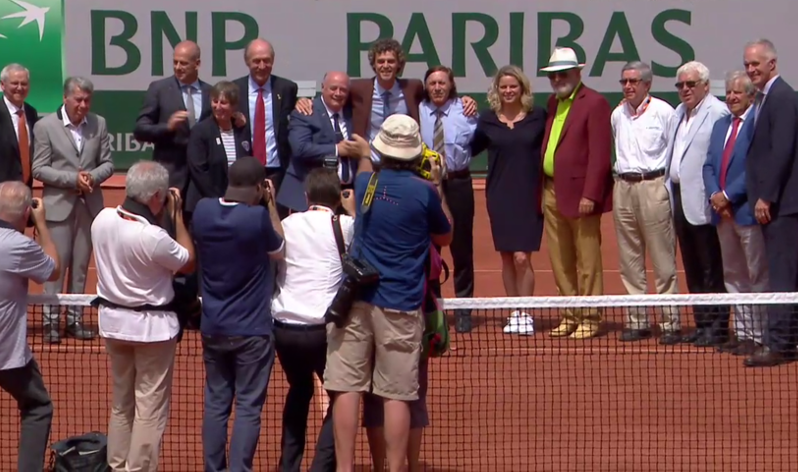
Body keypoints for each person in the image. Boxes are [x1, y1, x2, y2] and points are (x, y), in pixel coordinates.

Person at [323, 114, 452, 472]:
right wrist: (437, 185)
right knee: (397, 394)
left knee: (347, 388)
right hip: (400, 304)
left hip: (356, 302)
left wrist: (365, 152)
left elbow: (365, 168)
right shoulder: (424, 192)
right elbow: (445, 236)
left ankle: (345, 468)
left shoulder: (366, 182)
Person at [91, 161, 195, 471]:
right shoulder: (153, 237)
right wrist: (176, 215)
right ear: (155, 196)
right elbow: (188, 261)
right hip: (151, 332)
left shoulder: (102, 219)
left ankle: (117, 465)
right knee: (149, 408)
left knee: (122, 404)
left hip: (113, 326)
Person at [192, 156, 285, 471]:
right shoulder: (257, 217)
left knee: (216, 404)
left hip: (214, 327)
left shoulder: (203, 211)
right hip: (252, 332)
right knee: (247, 407)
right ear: (260, 188)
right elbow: (279, 248)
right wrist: (271, 204)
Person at [271, 167, 357, 472]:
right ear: (337, 198)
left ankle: (288, 466)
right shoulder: (346, 225)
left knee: (300, 390)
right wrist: (350, 209)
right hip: (323, 331)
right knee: (342, 398)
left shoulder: (287, 223)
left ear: (306, 197)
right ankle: (322, 466)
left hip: (284, 329)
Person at [32, 76, 114, 343]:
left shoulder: (99, 123)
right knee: (56, 267)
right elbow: (39, 168)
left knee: (80, 268)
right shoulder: (45, 126)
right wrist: (71, 179)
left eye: (87, 100)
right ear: (65, 99)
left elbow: (108, 163)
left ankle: (75, 320)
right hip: (58, 207)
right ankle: (51, 322)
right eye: (78, 99)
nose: (83, 105)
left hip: (88, 207)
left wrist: (91, 177)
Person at [539, 48, 613, 339]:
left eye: (564, 73)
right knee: (560, 260)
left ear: (577, 73)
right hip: (551, 191)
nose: (558, 79)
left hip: (581, 195)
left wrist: (591, 195)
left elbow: (599, 155)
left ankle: (590, 317)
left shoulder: (595, 103)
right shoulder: (553, 103)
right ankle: (569, 314)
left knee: (587, 260)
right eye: (554, 75)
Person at [470, 64, 547, 336]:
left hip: (528, 194)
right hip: (499, 194)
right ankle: (514, 311)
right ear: (497, 90)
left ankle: (525, 312)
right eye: (503, 86)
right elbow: (468, 146)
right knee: (506, 257)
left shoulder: (539, 116)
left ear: (522, 88)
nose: (508, 91)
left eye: (513, 86)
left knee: (522, 257)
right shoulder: (488, 120)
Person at [611, 61, 681, 344]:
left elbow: (674, 150)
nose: (628, 86)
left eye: (634, 81)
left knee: (663, 260)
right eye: (624, 81)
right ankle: (637, 320)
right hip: (623, 188)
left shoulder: (665, 112)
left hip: (653, 186)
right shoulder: (617, 115)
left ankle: (670, 323)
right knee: (629, 260)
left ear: (647, 85)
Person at [665, 61, 731, 347]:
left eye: (690, 84)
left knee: (711, 266)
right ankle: (702, 323)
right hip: (679, 196)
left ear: (705, 85)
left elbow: (720, 156)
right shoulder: (679, 113)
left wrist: (718, 194)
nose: (684, 89)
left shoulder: (718, 112)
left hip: (706, 200)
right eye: (680, 85)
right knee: (691, 265)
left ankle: (718, 327)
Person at [741, 39, 798, 367]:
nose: (751, 70)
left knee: (781, 278)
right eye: (747, 65)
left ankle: (778, 344)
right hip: (780, 206)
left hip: (782, 208)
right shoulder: (768, 99)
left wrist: (767, 196)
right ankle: (787, 341)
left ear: (772, 64)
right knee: (787, 276)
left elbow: (782, 151)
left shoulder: (782, 98)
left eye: (756, 64)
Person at [702, 70, 766, 357]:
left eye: (737, 92)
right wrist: (716, 195)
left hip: (746, 213)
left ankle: (760, 335)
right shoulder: (720, 125)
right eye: (728, 92)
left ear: (751, 95)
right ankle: (742, 333)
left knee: (757, 275)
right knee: (733, 274)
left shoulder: (758, 124)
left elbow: (756, 166)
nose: (731, 97)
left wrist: (728, 196)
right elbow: (708, 165)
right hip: (722, 214)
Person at [0, 181, 59, 472]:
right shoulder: (18, 245)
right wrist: (43, 224)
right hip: (7, 356)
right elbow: (53, 268)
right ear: (26, 213)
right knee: (38, 407)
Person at [419, 65, 477, 333]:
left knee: (462, 247)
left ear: (451, 85)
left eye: (442, 82)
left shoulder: (467, 111)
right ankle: (433, 307)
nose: (438, 87)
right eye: (432, 83)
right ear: (426, 87)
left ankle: (464, 310)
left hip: (459, 183)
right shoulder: (418, 111)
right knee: (431, 249)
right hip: (427, 185)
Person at [134, 41, 212, 197]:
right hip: (171, 175)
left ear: (197, 64)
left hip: (202, 179)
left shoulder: (210, 92)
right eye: (175, 62)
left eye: (183, 63)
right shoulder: (159, 89)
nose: (178, 67)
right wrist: (167, 127)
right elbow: (140, 129)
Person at [281, 71, 361, 213]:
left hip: (347, 197)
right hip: (310, 195)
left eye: (343, 90)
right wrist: (336, 150)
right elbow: (300, 148)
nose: (338, 93)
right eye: (333, 88)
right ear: (323, 87)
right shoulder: (306, 111)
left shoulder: (354, 113)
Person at [232, 38, 299, 200]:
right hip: (245, 169)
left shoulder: (286, 88)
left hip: (277, 169)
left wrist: (302, 101)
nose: (262, 66)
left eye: (266, 61)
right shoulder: (235, 89)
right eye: (256, 61)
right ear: (247, 62)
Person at [185, 80, 250, 215]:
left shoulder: (242, 130)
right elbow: (199, 171)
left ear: (234, 106)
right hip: (207, 204)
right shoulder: (201, 130)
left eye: (223, 103)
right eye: (215, 101)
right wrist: (220, 201)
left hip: (237, 204)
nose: (218, 107)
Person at [0, 63, 39, 187]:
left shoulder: (31, 112)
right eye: (14, 83)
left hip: (26, 189)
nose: (20, 87)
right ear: (2, 85)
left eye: (24, 84)